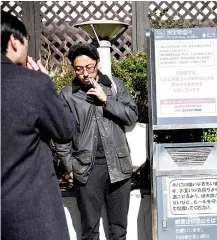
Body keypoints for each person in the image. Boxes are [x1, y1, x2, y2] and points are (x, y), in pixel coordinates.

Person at [1, 11, 76, 240]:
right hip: (33, 215)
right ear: (14, 41)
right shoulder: (33, 84)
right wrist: (46, 85)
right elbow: (65, 130)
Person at [54, 43, 138, 240]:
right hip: (85, 169)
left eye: (89, 67)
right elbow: (61, 134)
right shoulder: (68, 95)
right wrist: (69, 166)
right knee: (89, 230)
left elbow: (132, 116)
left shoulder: (114, 86)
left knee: (119, 229)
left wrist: (106, 100)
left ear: (97, 64)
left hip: (118, 166)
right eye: (79, 69)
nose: (84, 73)